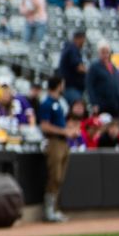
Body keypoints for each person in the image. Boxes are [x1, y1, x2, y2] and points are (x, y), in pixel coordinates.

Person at [37, 76, 73, 222]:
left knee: (60, 177)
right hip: (54, 142)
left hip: (63, 142)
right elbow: (44, 126)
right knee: (55, 176)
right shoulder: (47, 103)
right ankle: (49, 210)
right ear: (59, 85)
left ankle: (55, 209)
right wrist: (63, 131)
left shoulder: (59, 102)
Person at [86, 41, 119, 117]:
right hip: (101, 105)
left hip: (114, 106)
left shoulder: (113, 67)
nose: (105, 55)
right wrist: (94, 103)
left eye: (107, 52)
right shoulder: (94, 67)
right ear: (99, 53)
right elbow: (89, 86)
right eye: (103, 52)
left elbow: (118, 87)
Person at [58, 30, 88, 104]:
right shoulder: (72, 49)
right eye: (83, 39)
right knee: (77, 107)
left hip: (72, 87)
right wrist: (90, 72)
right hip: (71, 87)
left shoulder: (70, 48)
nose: (83, 42)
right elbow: (78, 67)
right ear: (78, 39)